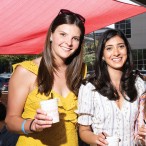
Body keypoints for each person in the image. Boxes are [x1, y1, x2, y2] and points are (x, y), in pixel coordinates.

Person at [5, 9, 86, 146]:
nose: (69, 42)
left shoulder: (80, 71)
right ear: (51, 35)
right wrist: (32, 125)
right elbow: (10, 121)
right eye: (63, 34)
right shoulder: (26, 72)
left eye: (75, 38)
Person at [77, 29, 145, 146]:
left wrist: (143, 137)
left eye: (121, 46)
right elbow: (83, 130)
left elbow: (140, 128)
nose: (116, 52)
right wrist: (96, 139)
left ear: (127, 51)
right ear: (102, 55)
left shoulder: (138, 84)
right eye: (109, 48)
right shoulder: (89, 87)